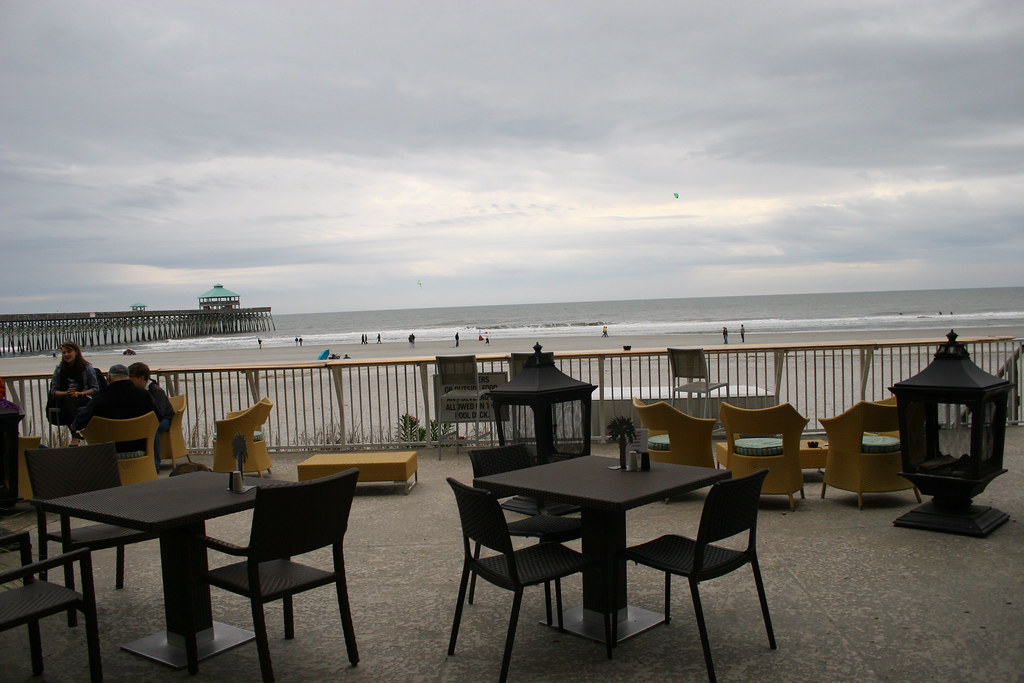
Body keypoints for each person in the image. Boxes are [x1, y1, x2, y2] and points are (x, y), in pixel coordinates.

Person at [72, 364, 157, 455]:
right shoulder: (145, 395)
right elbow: (158, 417)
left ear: (108, 377)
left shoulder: (100, 400)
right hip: (141, 452)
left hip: (108, 456)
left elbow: (77, 424)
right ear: (128, 377)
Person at [48, 341, 102, 446]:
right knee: (67, 400)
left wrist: (80, 393)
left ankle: (74, 432)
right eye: (64, 353)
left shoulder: (87, 368)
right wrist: (66, 393)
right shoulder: (59, 370)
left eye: (69, 352)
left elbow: (95, 388)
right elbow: (53, 391)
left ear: (76, 352)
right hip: (65, 398)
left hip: (83, 396)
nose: (66, 355)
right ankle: (76, 431)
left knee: (69, 401)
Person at [128, 362, 174, 469]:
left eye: (132, 377)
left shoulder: (155, 390)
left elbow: (160, 412)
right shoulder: (136, 391)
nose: (129, 380)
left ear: (141, 378)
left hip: (165, 420)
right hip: (147, 419)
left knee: (153, 429)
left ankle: (154, 464)